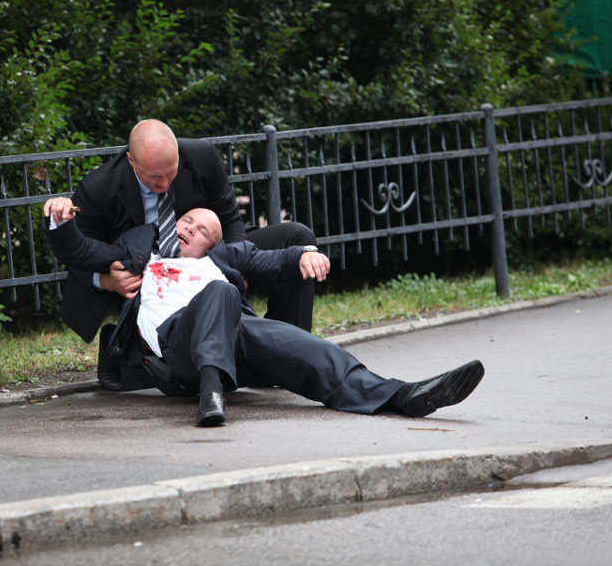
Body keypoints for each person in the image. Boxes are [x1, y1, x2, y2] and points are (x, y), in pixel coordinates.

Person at [44, 197, 485, 427]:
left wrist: (305, 254)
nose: (190, 228)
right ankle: (211, 394)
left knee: (313, 350)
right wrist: (61, 222)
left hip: (236, 335)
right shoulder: (142, 253)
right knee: (219, 294)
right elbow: (81, 252)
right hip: (175, 351)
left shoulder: (222, 260)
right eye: (187, 221)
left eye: (202, 229)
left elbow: (271, 260)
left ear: (212, 244)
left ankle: (402, 396)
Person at [60, 119, 317, 392]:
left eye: (170, 172)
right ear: (131, 161)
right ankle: (124, 351)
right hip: (144, 271)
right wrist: (107, 281)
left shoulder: (202, 157)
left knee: (298, 238)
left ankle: (285, 357)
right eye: (154, 177)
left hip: (204, 256)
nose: (164, 183)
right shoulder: (98, 188)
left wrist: (235, 265)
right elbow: (77, 255)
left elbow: (230, 219)